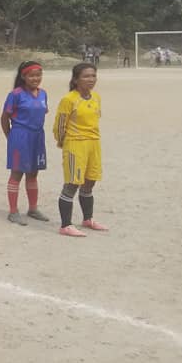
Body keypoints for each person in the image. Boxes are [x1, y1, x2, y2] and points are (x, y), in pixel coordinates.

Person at [53, 63, 106, 237]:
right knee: (72, 183)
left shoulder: (96, 97)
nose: (91, 79)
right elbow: (60, 125)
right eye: (86, 76)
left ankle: (87, 219)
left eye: (93, 76)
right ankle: (65, 225)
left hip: (93, 143)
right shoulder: (69, 99)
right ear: (76, 80)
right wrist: (63, 142)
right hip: (75, 144)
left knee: (90, 181)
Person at [1, 61, 49, 226]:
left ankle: (33, 208)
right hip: (20, 136)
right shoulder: (16, 94)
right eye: (32, 75)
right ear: (24, 77)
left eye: (38, 75)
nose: (36, 78)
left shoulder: (42, 94)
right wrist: (11, 137)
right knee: (17, 173)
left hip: (37, 136)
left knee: (33, 173)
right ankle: (13, 211)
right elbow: (5, 118)